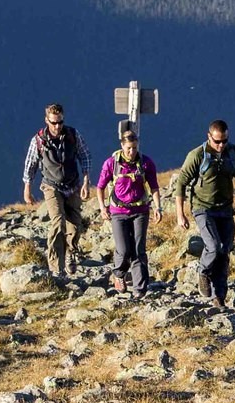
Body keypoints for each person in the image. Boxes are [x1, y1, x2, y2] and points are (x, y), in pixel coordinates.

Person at [175, 119, 235, 309]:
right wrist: (180, 214)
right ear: (209, 136)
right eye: (217, 141)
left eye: (224, 141)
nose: (221, 146)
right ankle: (203, 272)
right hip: (203, 208)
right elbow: (181, 183)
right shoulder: (197, 155)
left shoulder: (234, 153)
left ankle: (219, 296)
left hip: (225, 209)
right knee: (213, 245)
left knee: (224, 251)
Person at [21, 103, 89, 281]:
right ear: (46, 120)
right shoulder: (39, 140)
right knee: (58, 222)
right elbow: (31, 164)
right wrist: (27, 188)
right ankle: (55, 266)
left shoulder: (73, 135)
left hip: (73, 185)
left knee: (75, 226)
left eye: (60, 122)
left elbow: (85, 156)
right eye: (53, 123)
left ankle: (70, 253)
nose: (57, 126)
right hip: (51, 185)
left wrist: (86, 180)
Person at [95, 122, 160, 296]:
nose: (132, 152)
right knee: (123, 250)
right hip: (118, 212)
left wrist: (158, 207)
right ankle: (119, 274)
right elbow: (100, 187)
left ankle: (140, 289)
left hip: (140, 211)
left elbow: (154, 187)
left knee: (139, 248)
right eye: (129, 148)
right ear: (122, 145)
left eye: (135, 148)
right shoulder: (111, 164)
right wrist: (102, 208)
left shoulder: (146, 163)